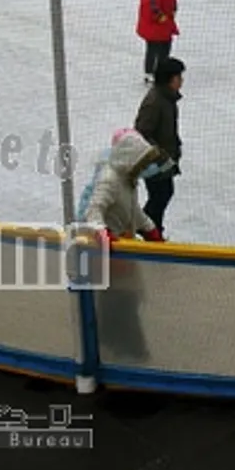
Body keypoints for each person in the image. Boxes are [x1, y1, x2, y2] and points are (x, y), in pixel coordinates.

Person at [77, 127, 166, 362]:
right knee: (120, 300)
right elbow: (93, 210)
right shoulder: (110, 179)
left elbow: (133, 212)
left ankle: (115, 344)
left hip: (122, 251)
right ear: (129, 159)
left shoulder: (127, 180)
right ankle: (131, 350)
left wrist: (150, 231)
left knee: (123, 299)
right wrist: (105, 235)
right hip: (111, 253)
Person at [134, 56, 185, 236]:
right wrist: (161, 154)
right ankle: (147, 229)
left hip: (164, 159)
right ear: (169, 79)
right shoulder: (155, 101)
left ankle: (152, 230)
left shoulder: (167, 98)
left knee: (163, 195)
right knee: (160, 196)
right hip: (155, 161)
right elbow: (142, 131)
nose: (182, 81)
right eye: (179, 77)